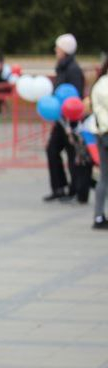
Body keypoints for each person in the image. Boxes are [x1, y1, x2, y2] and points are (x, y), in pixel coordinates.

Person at [43, 33, 85, 202]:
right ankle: (59, 188)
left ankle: (73, 189)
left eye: (58, 47)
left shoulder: (73, 69)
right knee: (52, 150)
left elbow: (75, 95)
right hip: (60, 118)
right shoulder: (62, 67)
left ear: (65, 49)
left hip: (70, 120)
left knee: (70, 152)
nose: (55, 50)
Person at [89, 55, 108, 230]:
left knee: (104, 177)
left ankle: (99, 214)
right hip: (105, 133)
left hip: (102, 133)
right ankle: (99, 215)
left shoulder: (101, 83)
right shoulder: (104, 84)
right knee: (103, 177)